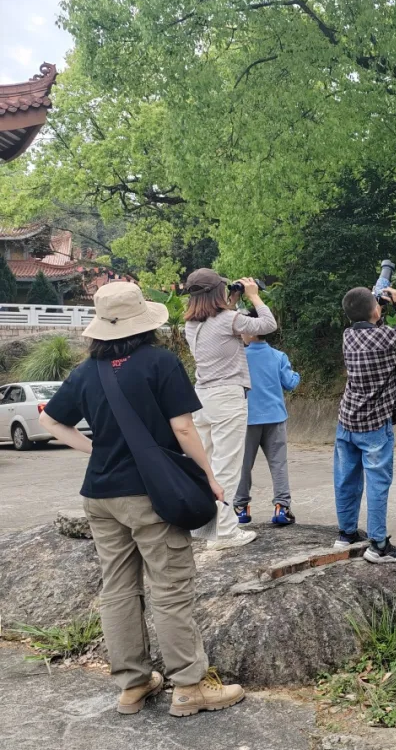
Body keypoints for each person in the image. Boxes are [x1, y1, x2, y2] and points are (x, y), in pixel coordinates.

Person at [39, 281, 245, 717]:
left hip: (100, 496)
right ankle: (188, 687)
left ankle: (133, 685)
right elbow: (184, 429)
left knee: (118, 588)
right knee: (170, 588)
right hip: (152, 496)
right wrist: (210, 476)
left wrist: (93, 449)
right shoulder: (160, 362)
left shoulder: (84, 372)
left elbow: (53, 424)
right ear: (143, 322)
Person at [183, 269, 277, 549]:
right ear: (216, 292)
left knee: (204, 465)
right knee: (227, 465)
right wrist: (254, 297)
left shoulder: (191, 324)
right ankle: (224, 532)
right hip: (227, 398)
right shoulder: (228, 320)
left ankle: (204, 526)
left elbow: (222, 325)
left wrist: (233, 300)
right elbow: (268, 324)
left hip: (201, 397)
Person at [334, 284, 396, 561]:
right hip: (374, 424)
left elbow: (370, 327)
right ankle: (378, 544)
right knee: (377, 482)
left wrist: (375, 307)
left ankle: (346, 533)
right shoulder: (387, 338)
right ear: (375, 309)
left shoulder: (348, 335)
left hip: (347, 418)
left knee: (346, 478)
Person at [232, 324, 301, 526]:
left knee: (243, 465)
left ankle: (240, 508)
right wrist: (296, 374)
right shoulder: (279, 356)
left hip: (247, 419)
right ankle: (282, 507)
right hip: (275, 417)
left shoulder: (240, 357)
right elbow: (290, 383)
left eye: (243, 329)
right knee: (278, 464)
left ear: (252, 332)